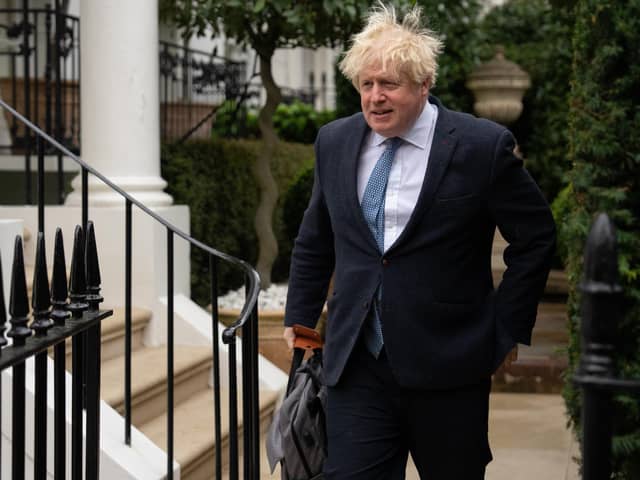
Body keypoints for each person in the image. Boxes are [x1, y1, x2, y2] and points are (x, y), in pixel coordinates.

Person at [282, 3, 556, 479]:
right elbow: (316, 236)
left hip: (449, 364)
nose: (375, 97)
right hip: (357, 362)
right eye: (366, 84)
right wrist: (301, 318)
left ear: (424, 84)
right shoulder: (335, 141)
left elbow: (536, 237)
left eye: (389, 84)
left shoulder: (480, 147)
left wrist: (505, 327)